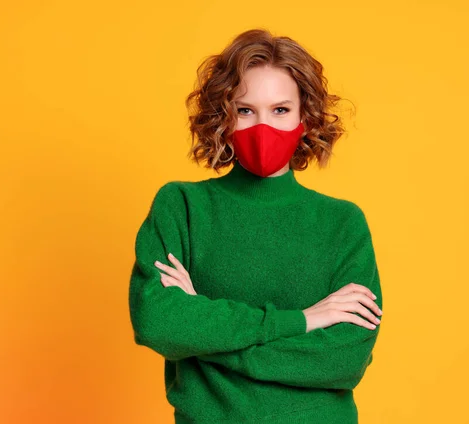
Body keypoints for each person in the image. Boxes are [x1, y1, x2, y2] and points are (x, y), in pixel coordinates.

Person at [128, 28, 384, 424]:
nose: (263, 127)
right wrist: (301, 320)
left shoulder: (342, 223)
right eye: (245, 110)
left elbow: (344, 358)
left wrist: (202, 334)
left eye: (280, 110)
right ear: (223, 117)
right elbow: (158, 322)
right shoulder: (182, 206)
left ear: (306, 116)